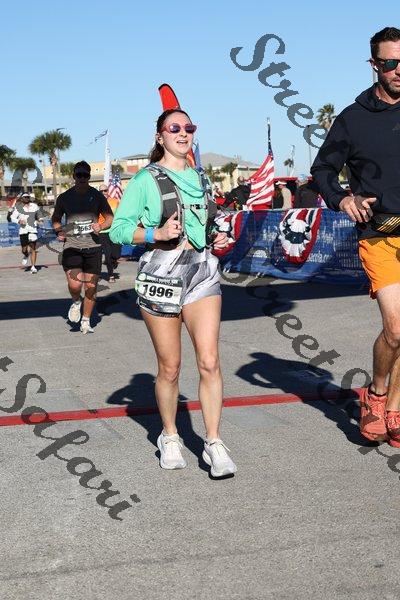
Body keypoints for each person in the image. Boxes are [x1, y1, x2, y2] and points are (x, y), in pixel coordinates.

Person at [110, 108, 237, 477]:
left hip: (202, 273)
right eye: (175, 128)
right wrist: (156, 233)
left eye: (189, 128)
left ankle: (213, 442)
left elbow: (206, 224)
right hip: (161, 274)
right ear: (160, 136)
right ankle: (169, 435)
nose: (183, 134)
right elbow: (118, 230)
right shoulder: (145, 179)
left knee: (209, 361)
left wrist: (217, 236)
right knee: (170, 367)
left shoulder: (202, 178)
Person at [310, 26, 400, 446]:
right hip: (380, 234)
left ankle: (395, 410)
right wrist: (343, 198)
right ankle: (376, 395)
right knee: (396, 329)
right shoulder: (353, 118)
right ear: (374, 65)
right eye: (391, 63)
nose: (399, 70)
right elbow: (322, 170)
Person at [52, 161, 114, 334]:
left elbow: (109, 217)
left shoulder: (97, 196)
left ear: (89, 177)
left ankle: (86, 321)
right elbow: (56, 218)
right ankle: (76, 302)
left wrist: (101, 226)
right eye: (79, 174)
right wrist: (59, 230)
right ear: (74, 176)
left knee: (91, 288)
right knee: (75, 286)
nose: (82, 178)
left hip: (93, 247)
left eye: (85, 175)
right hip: (72, 246)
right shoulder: (64, 197)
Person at [10, 192, 42, 273]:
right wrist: (19, 221)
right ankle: (26, 255)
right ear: (22, 198)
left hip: (32, 229)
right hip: (23, 230)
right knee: (24, 249)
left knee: (33, 248)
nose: (26, 198)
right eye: (25, 197)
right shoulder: (18, 207)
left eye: (28, 197)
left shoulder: (34, 206)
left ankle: (33, 267)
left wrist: (40, 220)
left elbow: (39, 214)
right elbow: (12, 217)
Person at [98, 183, 121, 282]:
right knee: (107, 254)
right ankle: (111, 275)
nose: (103, 192)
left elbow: (120, 215)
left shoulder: (115, 202)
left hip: (114, 231)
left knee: (116, 254)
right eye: (101, 191)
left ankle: (114, 261)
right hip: (103, 232)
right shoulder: (96, 203)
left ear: (108, 191)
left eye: (105, 190)